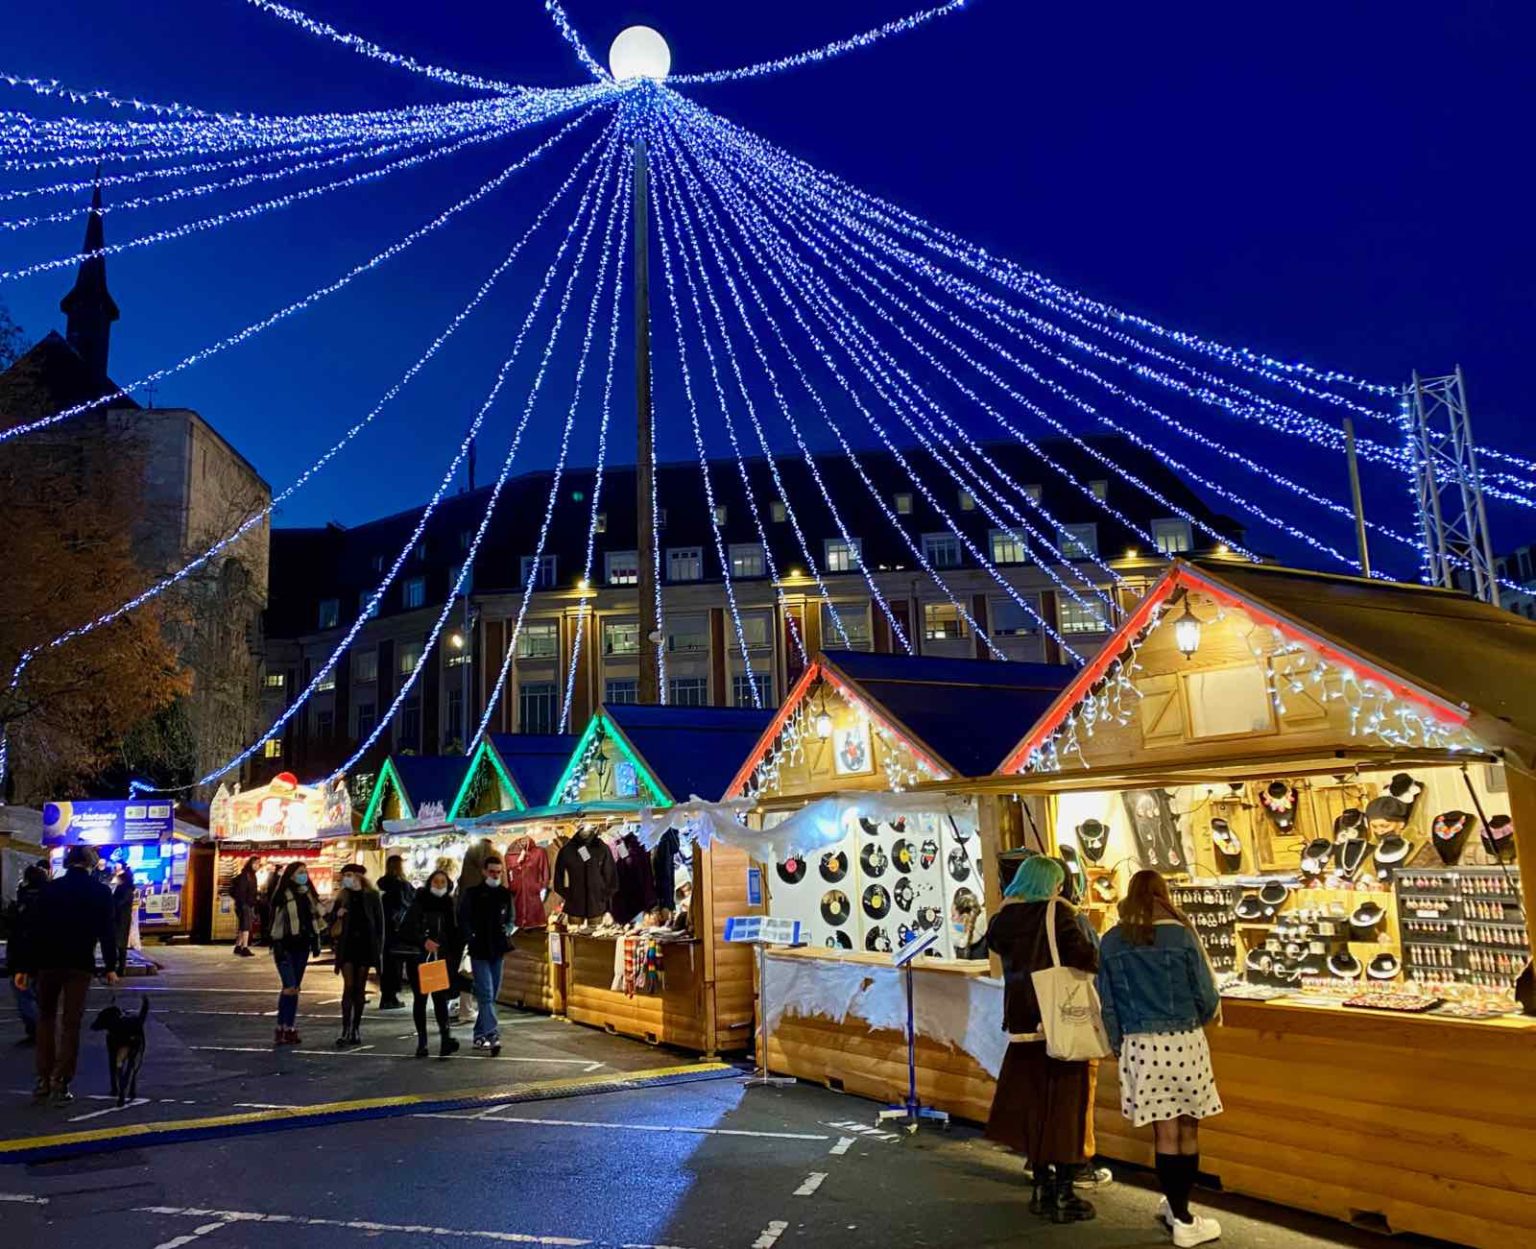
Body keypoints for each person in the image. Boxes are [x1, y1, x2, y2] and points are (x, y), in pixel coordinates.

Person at [1097, 870, 1223, 1248]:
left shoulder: (1112, 941)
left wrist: (1121, 1045)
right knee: (1188, 1129)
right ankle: (1184, 1218)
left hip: (1140, 1045)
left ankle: (1176, 1208)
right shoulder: (1181, 934)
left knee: (1163, 1133)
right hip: (1185, 1041)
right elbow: (1206, 994)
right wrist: (1195, 1020)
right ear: (1161, 895)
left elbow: (1108, 1004)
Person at [985, 855, 1100, 1224]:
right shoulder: (1059, 913)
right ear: (1052, 883)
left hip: (1021, 1025)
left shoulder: (1003, 920)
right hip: (1058, 1021)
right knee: (1066, 1109)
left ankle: (1041, 1187)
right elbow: (1085, 958)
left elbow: (998, 948)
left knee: (1033, 1107)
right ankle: (1065, 1193)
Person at [10, 845, 118, 1105]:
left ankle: (43, 1078)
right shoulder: (100, 892)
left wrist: (24, 967)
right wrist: (112, 966)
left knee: (46, 1019)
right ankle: (62, 1080)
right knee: (71, 1023)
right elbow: (107, 932)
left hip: (48, 962)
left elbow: (32, 929)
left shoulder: (49, 889)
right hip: (79, 962)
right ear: (90, 864)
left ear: (68, 863)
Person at [397, 870, 462, 1058]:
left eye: (443, 882)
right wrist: (423, 940)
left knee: (440, 999)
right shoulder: (419, 903)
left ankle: (445, 1039)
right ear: (430, 883)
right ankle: (422, 1042)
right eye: (436, 881)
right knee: (421, 999)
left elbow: (454, 934)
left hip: (440, 959)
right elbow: (405, 930)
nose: (440, 885)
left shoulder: (449, 905)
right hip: (420, 959)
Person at [458, 851, 512, 1056]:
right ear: (483, 872)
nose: (496, 875)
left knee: (491, 994)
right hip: (479, 949)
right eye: (492, 871)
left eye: (498, 872)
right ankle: (492, 1033)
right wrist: (470, 936)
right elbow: (463, 918)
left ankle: (479, 1034)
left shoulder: (505, 894)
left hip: (498, 948)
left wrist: (508, 929)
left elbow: (511, 918)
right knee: (487, 993)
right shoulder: (472, 894)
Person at [325, 862, 384, 1048]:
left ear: (359, 876)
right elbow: (329, 923)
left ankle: (356, 1028)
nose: (346, 878)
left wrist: (379, 951)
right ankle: (345, 1029)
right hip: (347, 946)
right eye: (345, 875)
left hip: (365, 946)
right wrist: (337, 915)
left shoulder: (373, 896)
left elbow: (380, 925)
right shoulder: (343, 896)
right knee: (348, 986)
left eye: (349, 874)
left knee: (359, 987)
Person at [267, 860, 324, 1046]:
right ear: (291, 875)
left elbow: (318, 916)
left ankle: (288, 1028)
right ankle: (282, 1028)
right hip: (285, 946)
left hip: (303, 946)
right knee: (289, 987)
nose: (304, 875)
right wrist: (276, 943)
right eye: (300, 872)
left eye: (305, 872)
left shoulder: (308, 895)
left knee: (294, 989)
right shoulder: (283, 895)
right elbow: (276, 922)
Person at [453, 839, 495, 1023]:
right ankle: (474, 1013)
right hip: (486, 929)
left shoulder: (468, 865)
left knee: (466, 968)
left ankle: (464, 1007)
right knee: (482, 972)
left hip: (467, 928)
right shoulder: (492, 866)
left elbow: (460, 898)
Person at [6, 863, 48, 1047]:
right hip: (44, 957)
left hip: (24, 958)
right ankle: (43, 1030)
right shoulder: (49, 899)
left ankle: (37, 1030)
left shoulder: (24, 902)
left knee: (24, 996)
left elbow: (18, 932)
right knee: (39, 995)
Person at [376, 854, 414, 1011]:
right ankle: (391, 997)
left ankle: (386, 996)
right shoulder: (401, 885)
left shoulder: (383, 885)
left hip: (385, 931)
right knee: (396, 964)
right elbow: (408, 903)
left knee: (388, 964)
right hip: (398, 930)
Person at [110, 864, 137, 978]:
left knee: (120, 944)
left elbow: (120, 903)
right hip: (122, 918)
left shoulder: (125, 889)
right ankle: (120, 967)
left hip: (121, 919)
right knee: (119, 944)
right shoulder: (126, 889)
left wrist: (112, 903)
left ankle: (121, 968)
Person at [231, 857, 261, 957]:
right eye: (255, 863)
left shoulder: (251, 875)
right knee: (246, 926)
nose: (257, 866)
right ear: (250, 864)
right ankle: (245, 947)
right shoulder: (246, 876)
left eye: (258, 864)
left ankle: (238, 946)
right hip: (244, 904)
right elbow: (242, 891)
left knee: (242, 926)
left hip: (246, 903)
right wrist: (245, 903)